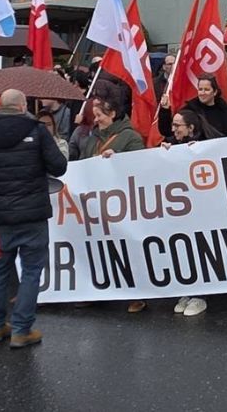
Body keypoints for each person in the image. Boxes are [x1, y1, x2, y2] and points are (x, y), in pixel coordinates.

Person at [0, 89, 68, 349]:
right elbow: (59, 166)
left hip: (1, 214)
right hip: (33, 212)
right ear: (22, 105)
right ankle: (21, 329)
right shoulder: (36, 130)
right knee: (31, 271)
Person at [78, 83, 148, 312]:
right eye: (94, 115)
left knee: (126, 248)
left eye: (100, 115)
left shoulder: (130, 137)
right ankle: (97, 290)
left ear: (113, 114)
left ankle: (136, 293)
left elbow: (140, 169)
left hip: (123, 204)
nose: (95, 119)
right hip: (97, 204)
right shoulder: (91, 138)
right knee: (98, 247)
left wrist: (119, 159)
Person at [161, 108, 215, 316]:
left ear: (191, 128)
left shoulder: (206, 145)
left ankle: (201, 295)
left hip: (202, 211)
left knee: (199, 249)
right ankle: (187, 289)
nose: (173, 129)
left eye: (177, 126)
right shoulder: (172, 145)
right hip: (181, 210)